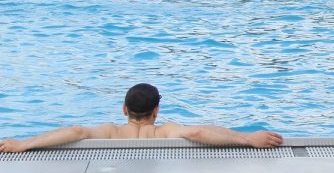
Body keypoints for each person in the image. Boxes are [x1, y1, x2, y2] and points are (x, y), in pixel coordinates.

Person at [0, 83, 282, 153]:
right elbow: (196, 133)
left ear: (124, 110)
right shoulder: (164, 131)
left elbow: (77, 131)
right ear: (156, 111)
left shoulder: (110, 132)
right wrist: (248, 138)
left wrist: (23, 145)